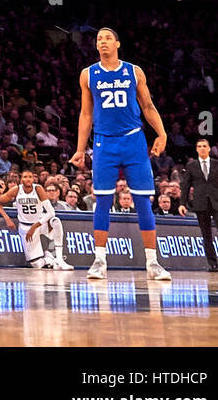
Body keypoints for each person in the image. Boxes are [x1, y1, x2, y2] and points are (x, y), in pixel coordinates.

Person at [70, 27, 171, 281]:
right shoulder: (88, 75)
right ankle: (99, 260)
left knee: (142, 200)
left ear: (117, 43)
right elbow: (86, 114)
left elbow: (147, 106)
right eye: (98, 40)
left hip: (134, 140)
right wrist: (81, 149)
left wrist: (161, 133)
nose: (102, 43)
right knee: (102, 200)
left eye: (107, 39)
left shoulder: (134, 71)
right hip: (104, 142)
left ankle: (152, 262)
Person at [0, 168, 72, 270]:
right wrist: (7, 218)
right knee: (36, 265)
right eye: (25, 177)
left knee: (55, 221)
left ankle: (60, 260)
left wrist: (35, 226)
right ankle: (49, 259)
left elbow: (51, 212)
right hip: (25, 226)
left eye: (30, 177)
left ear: (33, 179)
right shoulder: (16, 190)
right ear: (21, 179)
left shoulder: (38, 189)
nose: (28, 179)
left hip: (40, 224)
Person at [178, 137, 218, 272]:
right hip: (200, 204)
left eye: (204, 146)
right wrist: (182, 203)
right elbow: (186, 186)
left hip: (217, 203)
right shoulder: (191, 166)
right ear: (196, 149)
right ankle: (213, 264)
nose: (202, 148)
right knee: (206, 235)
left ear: (209, 148)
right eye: (199, 146)